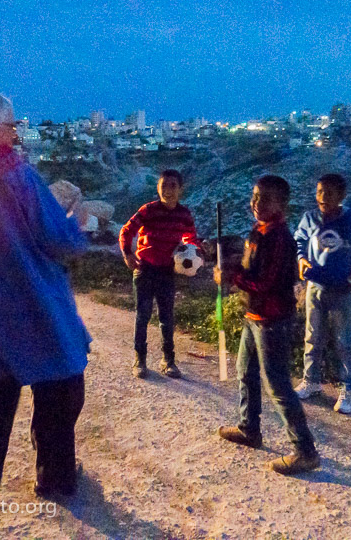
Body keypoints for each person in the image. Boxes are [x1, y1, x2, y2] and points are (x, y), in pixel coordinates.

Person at [0, 90, 91, 540]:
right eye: (11, 125)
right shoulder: (19, 177)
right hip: (39, 310)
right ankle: (56, 476)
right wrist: (79, 224)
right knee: (62, 391)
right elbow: (59, 239)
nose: (16, 132)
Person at [216, 175, 320, 475]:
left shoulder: (280, 239)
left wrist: (231, 278)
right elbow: (251, 267)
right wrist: (233, 265)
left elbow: (265, 282)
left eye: (264, 198)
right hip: (254, 316)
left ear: (282, 204)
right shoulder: (259, 231)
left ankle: (305, 450)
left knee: (277, 385)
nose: (255, 202)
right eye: (254, 196)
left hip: (272, 320)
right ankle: (250, 429)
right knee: (244, 372)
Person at [293, 173, 351, 414]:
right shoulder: (309, 218)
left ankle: (348, 388)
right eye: (319, 192)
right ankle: (311, 381)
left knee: (343, 341)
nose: (322, 197)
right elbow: (299, 240)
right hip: (315, 287)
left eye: (329, 193)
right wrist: (301, 259)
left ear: (341, 196)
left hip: (341, 289)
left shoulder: (350, 220)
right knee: (312, 336)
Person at [119, 169, 200, 379]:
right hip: (145, 270)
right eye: (163, 185)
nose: (167, 190)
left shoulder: (184, 215)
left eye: (173, 186)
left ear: (181, 189)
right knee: (142, 316)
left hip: (166, 272)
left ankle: (169, 361)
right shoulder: (148, 210)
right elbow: (126, 231)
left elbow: (191, 239)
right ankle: (140, 360)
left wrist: (200, 249)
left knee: (166, 318)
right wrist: (128, 254)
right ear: (158, 188)